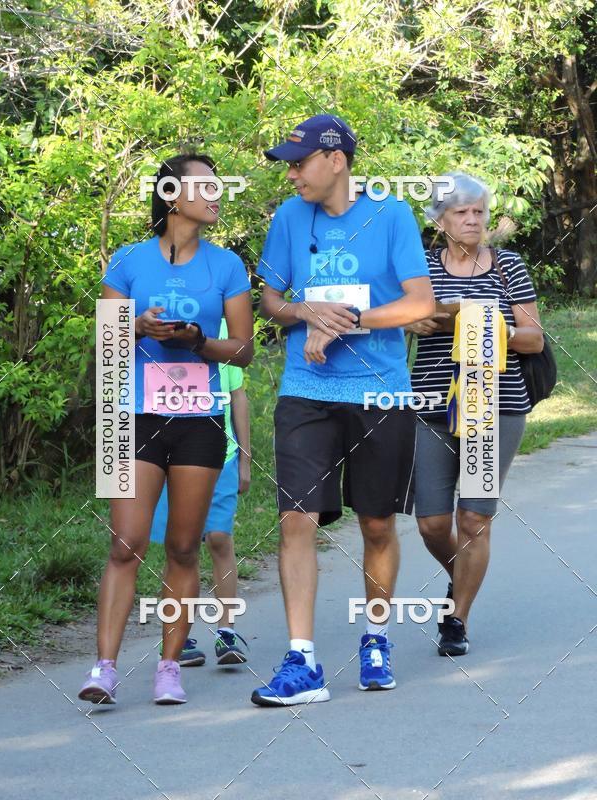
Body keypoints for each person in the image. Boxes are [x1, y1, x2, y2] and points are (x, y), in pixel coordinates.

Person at [252, 114, 435, 706]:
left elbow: (419, 304)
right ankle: (302, 660)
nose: (293, 174)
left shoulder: (391, 215)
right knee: (296, 519)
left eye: (299, 163)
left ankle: (376, 636)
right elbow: (272, 299)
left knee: (377, 523)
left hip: (380, 391)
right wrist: (307, 313)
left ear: (336, 160)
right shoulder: (288, 218)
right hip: (305, 389)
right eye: (288, 165)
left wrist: (350, 318)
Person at [79, 153, 252, 706]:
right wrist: (137, 325)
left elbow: (243, 351)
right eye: (206, 186)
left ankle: (169, 668)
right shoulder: (128, 260)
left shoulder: (227, 266)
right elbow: (104, 342)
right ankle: (103, 669)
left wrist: (197, 341)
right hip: (133, 416)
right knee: (125, 543)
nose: (217, 194)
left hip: (200, 420)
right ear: (173, 194)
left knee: (182, 547)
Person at [408, 172, 544, 657]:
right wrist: (423, 318)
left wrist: (478, 319)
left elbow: (534, 338)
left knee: (474, 520)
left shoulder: (508, 265)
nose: (472, 220)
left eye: (479, 212)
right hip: (430, 406)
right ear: (440, 220)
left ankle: (457, 618)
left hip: (494, 408)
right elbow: (409, 318)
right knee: (430, 522)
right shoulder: (421, 266)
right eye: (462, 213)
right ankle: (462, 577)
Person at [150, 317, 251, 666]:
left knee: (220, 538)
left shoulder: (225, 327)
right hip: (171, 456)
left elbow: (238, 396)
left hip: (221, 456)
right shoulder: (157, 321)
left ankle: (227, 631)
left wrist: (246, 461)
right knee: (180, 546)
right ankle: (181, 636)